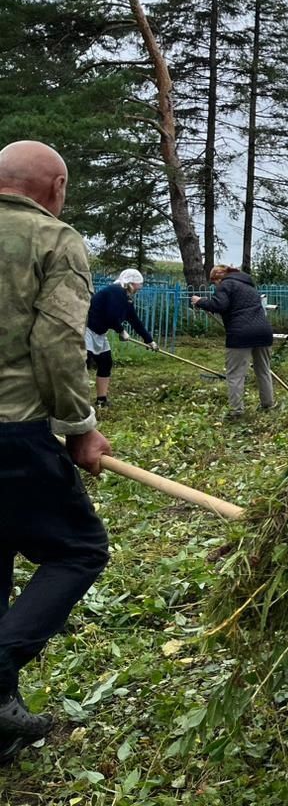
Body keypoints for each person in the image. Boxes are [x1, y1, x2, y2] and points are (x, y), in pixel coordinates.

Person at [0, 141, 112, 765]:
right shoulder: (54, 239)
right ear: (56, 186)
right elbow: (56, 341)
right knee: (78, 550)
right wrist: (79, 428)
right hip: (12, 431)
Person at [191, 265, 275, 420]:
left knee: (235, 374)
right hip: (263, 331)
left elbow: (219, 305)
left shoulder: (226, 285)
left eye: (213, 282)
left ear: (218, 277)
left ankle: (236, 411)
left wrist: (200, 301)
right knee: (263, 370)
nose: (215, 285)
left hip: (241, 334)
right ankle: (268, 404)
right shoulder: (249, 286)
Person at [84, 268, 158, 408]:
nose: (139, 288)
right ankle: (76, 401)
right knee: (83, 365)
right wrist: (121, 331)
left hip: (99, 334)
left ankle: (101, 400)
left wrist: (149, 340)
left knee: (106, 363)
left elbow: (135, 321)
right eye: (138, 285)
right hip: (87, 331)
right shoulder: (115, 291)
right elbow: (110, 316)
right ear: (130, 283)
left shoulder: (126, 299)